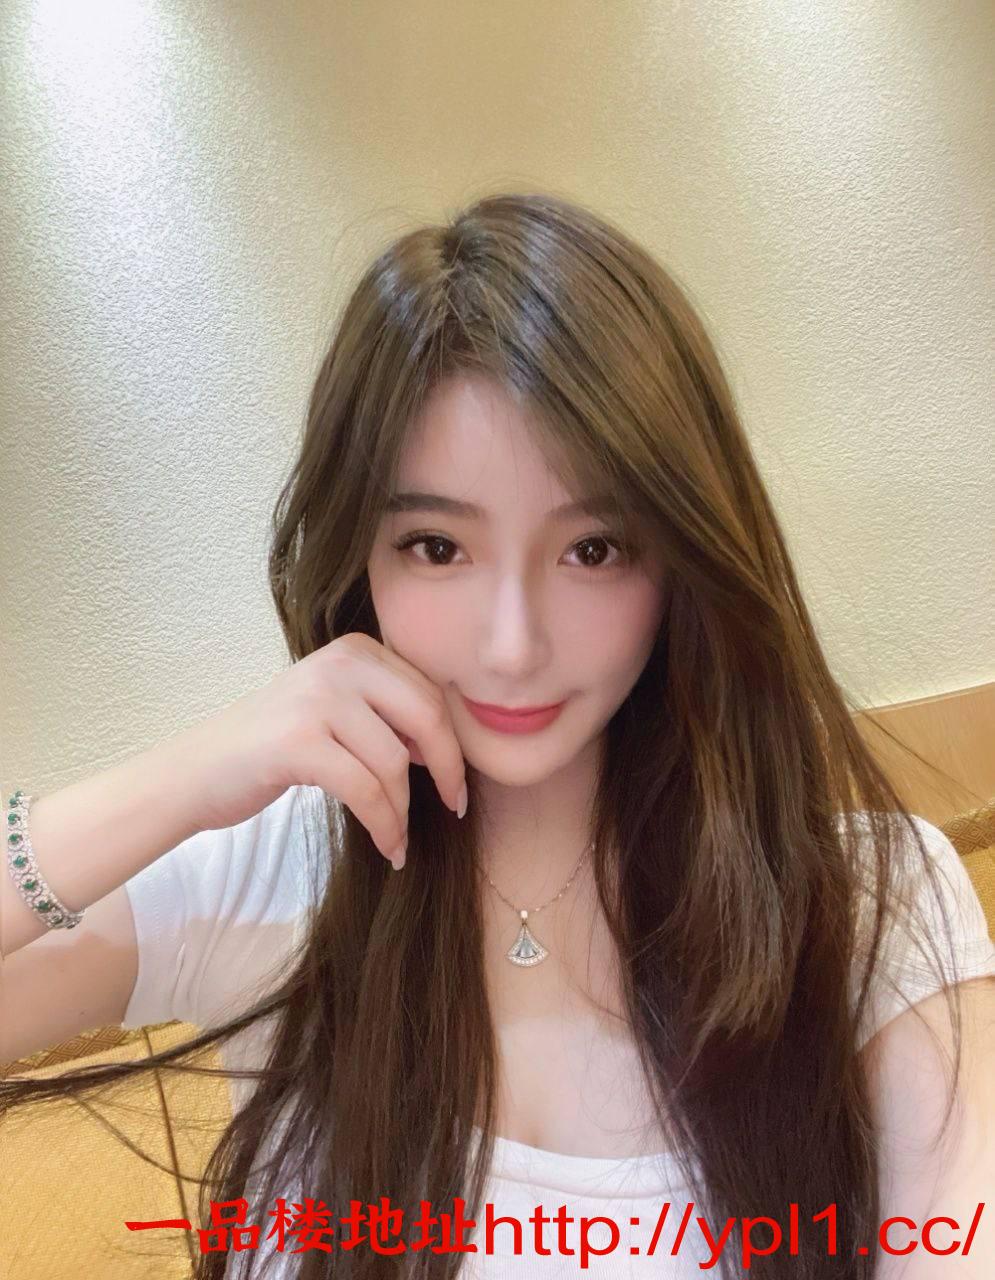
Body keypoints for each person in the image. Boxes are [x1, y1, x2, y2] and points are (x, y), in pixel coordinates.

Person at [2, 191, 993, 1280]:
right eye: (436, 547)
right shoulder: (272, 874)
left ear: (681, 560)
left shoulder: (872, 906)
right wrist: (190, 774)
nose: (513, 645)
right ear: (358, 560)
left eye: (592, 548)